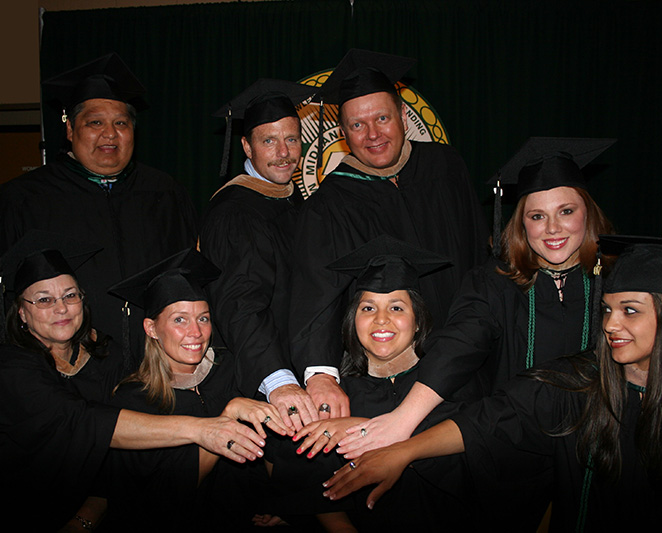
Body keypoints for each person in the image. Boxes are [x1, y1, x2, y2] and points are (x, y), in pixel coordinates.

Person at [322, 236, 662, 531]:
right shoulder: (574, 385)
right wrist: (401, 450)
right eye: (607, 309)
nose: (610, 324)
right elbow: (489, 423)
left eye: (630, 311)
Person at [337, 137, 616, 527]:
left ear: (588, 214)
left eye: (566, 211)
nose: (551, 228)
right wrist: (402, 420)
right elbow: (458, 346)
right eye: (536, 216)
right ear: (520, 222)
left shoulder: (617, 285)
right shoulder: (495, 282)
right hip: (507, 448)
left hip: (599, 451)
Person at [0, 234, 268, 532]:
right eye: (44, 299)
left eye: (71, 295)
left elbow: (110, 463)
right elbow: (79, 423)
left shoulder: (107, 356)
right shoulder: (6, 368)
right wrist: (202, 429)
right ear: (21, 312)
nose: (61, 307)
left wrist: (87, 516)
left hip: (71, 510)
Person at [0, 52, 197, 398]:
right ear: (69, 129)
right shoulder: (22, 198)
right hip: (62, 373)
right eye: (95, 123)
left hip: (155, 371)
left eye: (121, 123)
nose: (109, 135)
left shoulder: (165, 194)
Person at [289, 49, 489, 420]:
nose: (373, 135)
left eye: (382, 118)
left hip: (463, 366)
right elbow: (315, 296)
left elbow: (478, 256)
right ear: (343, 133)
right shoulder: (330, 203)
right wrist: (320, 375)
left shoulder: (445, 168)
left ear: (401, 115)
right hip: (382, 378)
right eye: (357, 125)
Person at [101, 249, 290, 530]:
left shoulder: (234, 368)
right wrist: (229, 415)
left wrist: (285, 498)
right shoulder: (133, 401)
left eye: (203, 318)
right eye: (179, 319)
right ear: (151, 328)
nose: (196, 332)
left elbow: (277, 441)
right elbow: (162, 499)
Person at [292, 235, 469, 530]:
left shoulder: (447, 385)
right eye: (368, 308)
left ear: (418, 321)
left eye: (397, 308)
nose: (381, 319)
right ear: (352, 321)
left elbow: (475, 454)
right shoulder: (337, 396)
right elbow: (309, 486)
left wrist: (358, 427)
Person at [202, 79, 319, 432]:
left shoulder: (293, 199)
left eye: (291, 139)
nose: (283, 152)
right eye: (269, 141)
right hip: (262, 385)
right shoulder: (235, 211)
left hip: (298, 368)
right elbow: (239, 302)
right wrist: (278, 380)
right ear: (246, 146)